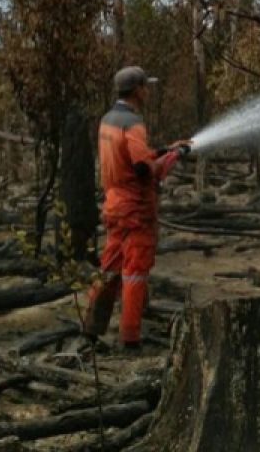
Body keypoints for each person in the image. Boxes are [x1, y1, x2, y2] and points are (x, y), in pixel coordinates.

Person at [82, 66, 188, 350]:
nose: (148, 91)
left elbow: (131, 156)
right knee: (135, 272)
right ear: (138, 89)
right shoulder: (134, 123)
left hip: (114, 206)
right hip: (136, 210)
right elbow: (143, 168)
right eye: (146, 86)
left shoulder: (108, 120)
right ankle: (130, 338)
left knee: (109, 268)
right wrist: (172, 158)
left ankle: (91, 328)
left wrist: (166, 148)